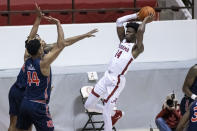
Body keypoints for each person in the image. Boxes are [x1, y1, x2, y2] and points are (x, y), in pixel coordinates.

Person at [15, 14, 98, 131]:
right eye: (40, 40)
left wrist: (84, 35)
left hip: (26, 101)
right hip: (37, 103)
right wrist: (58, 24)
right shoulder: (44, 61)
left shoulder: (27, 58)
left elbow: (65, 42)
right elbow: (61, 44)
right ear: (39, 48)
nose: (42, 41)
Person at [84, 12, 153, 131]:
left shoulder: (137, 48)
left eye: (130, 32)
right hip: (106, 76)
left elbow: (141, 31)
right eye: (127, 31)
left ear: (136, 35)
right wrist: (136, 15)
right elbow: (119, 21)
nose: (127, 33)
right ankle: (114, 113)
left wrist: (145, 19)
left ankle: (109, 115)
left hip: (117, 80)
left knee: (105, 111)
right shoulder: (123, 41)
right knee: (88, 105)